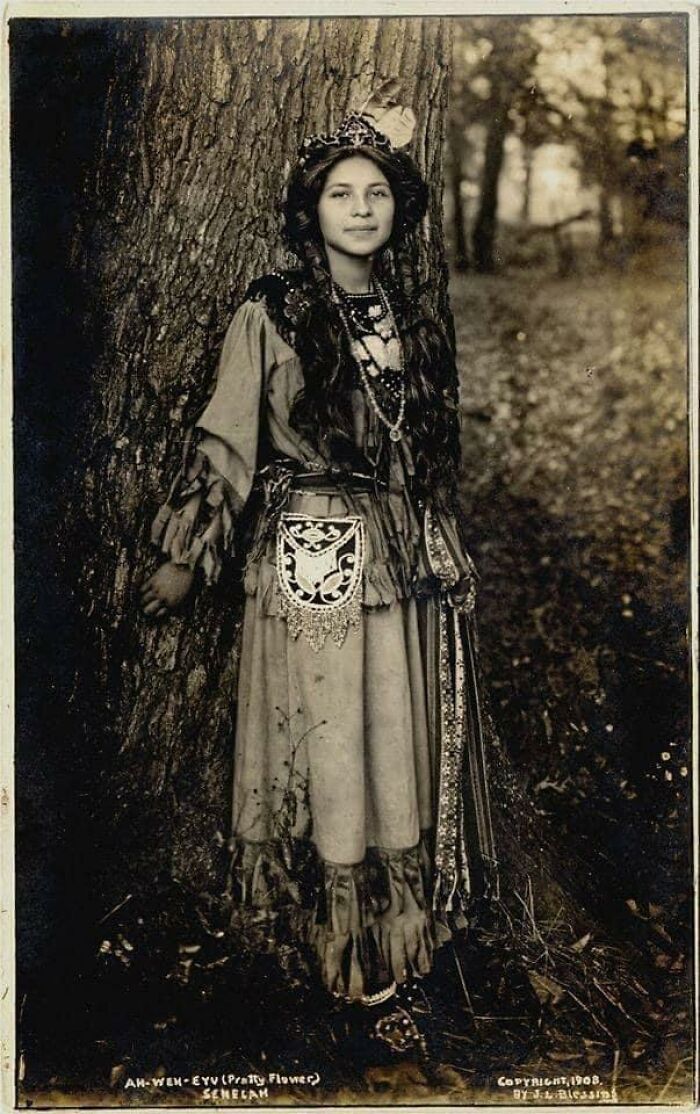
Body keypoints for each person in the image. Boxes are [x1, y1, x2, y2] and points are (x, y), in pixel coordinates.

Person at [140, 111, 498, 1055]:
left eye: (378, 192)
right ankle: (335, 949)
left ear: (400, 208)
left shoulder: (412, 321)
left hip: (397, 556)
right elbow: (230, 437)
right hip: (313, 547)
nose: (362, 207)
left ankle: (398, 938)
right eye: (342, 192)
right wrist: (187, 552)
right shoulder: (272, 311)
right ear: (312, 210)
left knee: (392, 730)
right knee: (331, 732)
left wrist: (439, 535)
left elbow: (428, 454)